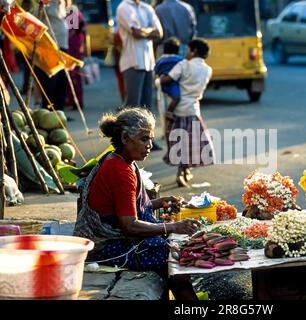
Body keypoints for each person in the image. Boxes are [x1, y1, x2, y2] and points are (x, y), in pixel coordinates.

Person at [73, 107, 199, 300]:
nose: (150, 145)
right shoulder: (120, 171)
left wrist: (160, 203)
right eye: (144, 139)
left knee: (173, 250)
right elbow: (129, 225)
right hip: (106, 246)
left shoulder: (120, 161)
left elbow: (129, 205)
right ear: (125, 139)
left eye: (150, 138)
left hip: (115, 235)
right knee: (173, 263)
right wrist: (173, 226)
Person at [160, 38, 215, 188]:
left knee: (179, 143)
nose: (186, 53)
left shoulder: (184, 65)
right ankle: (184, 172)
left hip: (177, 110)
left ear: (194, 51)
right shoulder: (208, 70)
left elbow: (167, 79)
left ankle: (181, 172)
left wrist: (160, 78)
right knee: (190, 144)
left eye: (188, 50)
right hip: (193, 110)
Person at [116, 0, 164, 150]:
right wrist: (149, 31)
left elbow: (159, 33)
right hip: (132, 61)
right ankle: (124, 142)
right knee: (132, 106)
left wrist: (144, 31)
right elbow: (136, 33)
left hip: (148, 62)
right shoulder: (124, 7)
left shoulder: (146, 8)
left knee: (146, 107)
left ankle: (146, 140)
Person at [34, 0, 69, 110]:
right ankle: (48, 111)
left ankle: (59, 112)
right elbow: (35, 17)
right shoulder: (46, 2)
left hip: (62, 46)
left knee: (62, 81)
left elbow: (71, 22)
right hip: (49, 46)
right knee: (50, 81)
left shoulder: (63, 3)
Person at [154, 37, 183, 122]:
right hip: (173, 84)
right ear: (177, 50)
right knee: (177, 98)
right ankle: (170, 112)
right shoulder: (179, 60)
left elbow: (156, 71)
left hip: (162, 86)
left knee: (162, 106)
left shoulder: (160, 60)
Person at [65, 1, 87, 109]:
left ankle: (74, 102)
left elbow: (72, 31)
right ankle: (74, 101)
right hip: (74, 45)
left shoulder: (71, 9)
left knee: (73, 74)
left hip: (72, 45)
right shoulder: (70, 9)